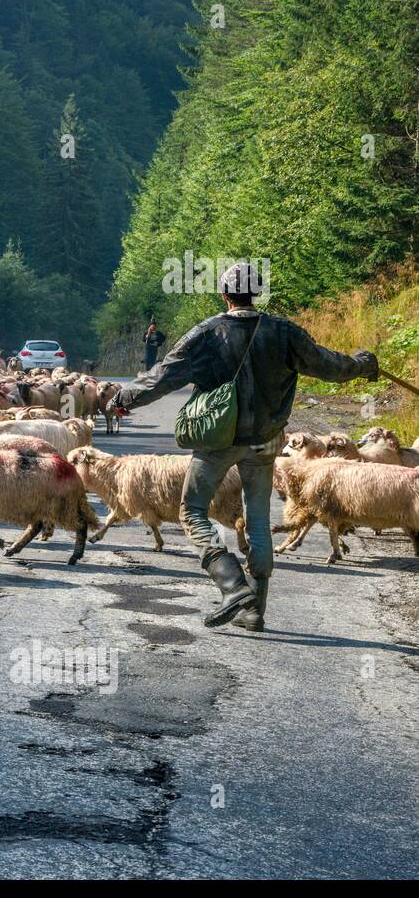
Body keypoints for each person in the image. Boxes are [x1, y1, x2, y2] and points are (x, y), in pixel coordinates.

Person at [113, 262, 378, 631]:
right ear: (258, 293)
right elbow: (329, 365)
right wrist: (364, 364)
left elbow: (164, 376)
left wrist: (123, 396)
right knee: (256, 520)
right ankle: (255, 612)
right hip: (267, 442)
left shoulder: (207, 332)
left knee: (192, 511)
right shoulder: (284, 332)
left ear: (224, 294)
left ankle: (232, 585)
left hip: (219, 441)